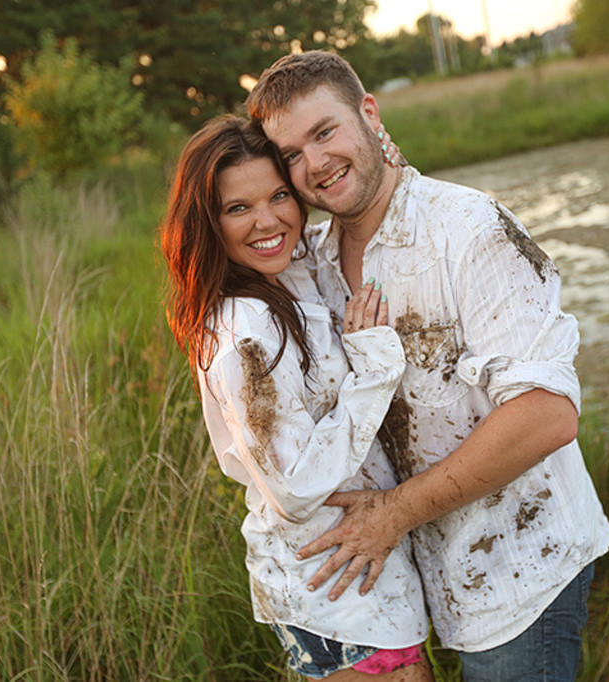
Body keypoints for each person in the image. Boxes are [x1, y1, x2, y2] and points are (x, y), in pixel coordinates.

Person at [245, 52, 609, 682]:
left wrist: (392, 514)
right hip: (408, 585)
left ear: (369, 114)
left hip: (516, 571)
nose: (314, 163)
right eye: (290, 154)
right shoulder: (308, 260)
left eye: (325, 132)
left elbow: (547, 415)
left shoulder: (470, 230)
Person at [158, 114, 433, 680]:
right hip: (336, 589)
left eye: (279, 195)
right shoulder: (248, 333)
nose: (269, 221)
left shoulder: (284, 273)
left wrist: (379, 152)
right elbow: (294, 486)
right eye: (238, 208)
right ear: (207, 222)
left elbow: (354, 211)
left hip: (355, 580)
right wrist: (374, 368)